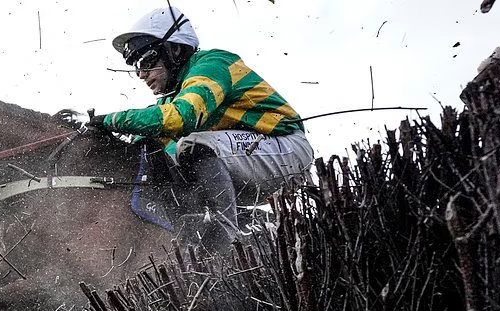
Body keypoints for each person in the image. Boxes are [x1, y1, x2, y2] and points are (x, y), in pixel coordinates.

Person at [60, 6, 314, 251]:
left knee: (192, 145)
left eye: (147, 61)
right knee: (163, 159)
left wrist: (111, 120)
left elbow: (183, 117)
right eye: (136, 67)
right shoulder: (173, 96)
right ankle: (242, 226)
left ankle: (223, 242)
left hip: (287, 146)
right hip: (250, 157)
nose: (141, 74)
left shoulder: (212, 64)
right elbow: (146, 145)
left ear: (175, 49)